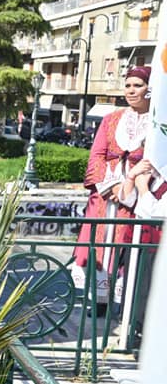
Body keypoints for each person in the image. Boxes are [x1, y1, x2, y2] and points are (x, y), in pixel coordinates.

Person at [71, 66, 153, 295]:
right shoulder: (110, 119)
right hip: (104, 197)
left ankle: (123, 302)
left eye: (138, 85)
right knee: (98, 247)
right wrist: (111, 186)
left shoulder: (158, 124)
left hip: (136, 197)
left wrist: (132, 186)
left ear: (150, 88)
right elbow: (96, 155)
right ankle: (98, 300)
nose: (131, 90)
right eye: (128, 85)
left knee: (127, 249)